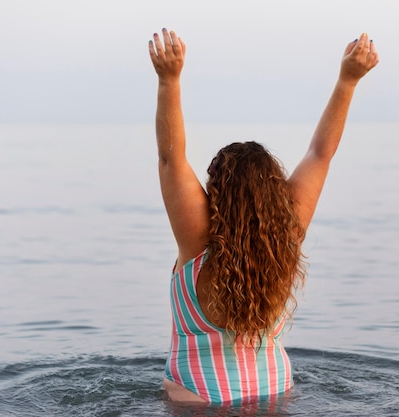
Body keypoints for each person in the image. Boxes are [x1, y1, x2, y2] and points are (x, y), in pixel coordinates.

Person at [148, 28, 378, 405]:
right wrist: (348, 80)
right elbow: (321, 153)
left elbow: (171, 157)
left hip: (199, 397)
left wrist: (168, 79)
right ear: (276, 194)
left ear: (214, 194)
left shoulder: (196, 243)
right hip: (274, 392)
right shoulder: (285, 238)